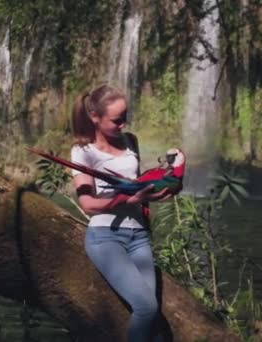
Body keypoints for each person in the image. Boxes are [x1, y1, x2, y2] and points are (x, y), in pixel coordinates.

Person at [70, 84, 170, 342]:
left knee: (153, 317)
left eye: (125, 117)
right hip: (106, 238)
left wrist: (157, 191)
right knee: (146, 308)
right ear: (95, 117)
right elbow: (88, 203)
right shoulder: (83, 151)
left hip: (138, 237)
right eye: (117, 120)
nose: (123, 124)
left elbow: (137, 186)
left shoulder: (131, 142)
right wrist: (123, 198)